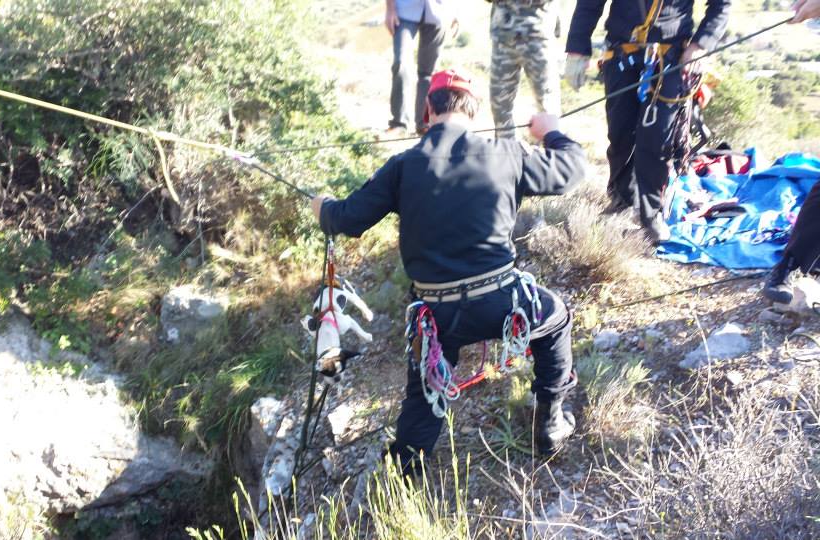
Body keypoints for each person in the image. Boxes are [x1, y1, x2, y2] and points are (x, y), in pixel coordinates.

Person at [310, 69, 587, 470]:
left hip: (436, 315)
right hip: (502, 302)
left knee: (424, 390)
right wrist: (551, 132)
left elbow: (346, 219)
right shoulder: (506, 153)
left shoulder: (402, 166)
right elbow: (572, 169)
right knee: (555, 319)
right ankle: (550, 423)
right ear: (474, 111)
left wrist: (323, 207)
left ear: (428, 110)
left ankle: (404, 471)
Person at [563, 0, 731, 243]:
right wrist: (577, 49)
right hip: (621, 53)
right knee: (620, 134)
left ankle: (650, 213)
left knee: (656, 138)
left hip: (671, 57)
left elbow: (721, 4)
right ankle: (621, 200)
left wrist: (700, 45)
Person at [488, 0, 562, 139]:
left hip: (537, 35)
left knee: (548, 105)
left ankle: (555, 155)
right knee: (500, 106)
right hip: (504, 37)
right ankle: (507, 154)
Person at [385, 0, 458, 135]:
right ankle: (399, 123)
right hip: (404, 10)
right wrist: (390, 9)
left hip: (439, 12)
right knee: (401, 63)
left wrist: (454, 14)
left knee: (428, 73)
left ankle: (424, 124)